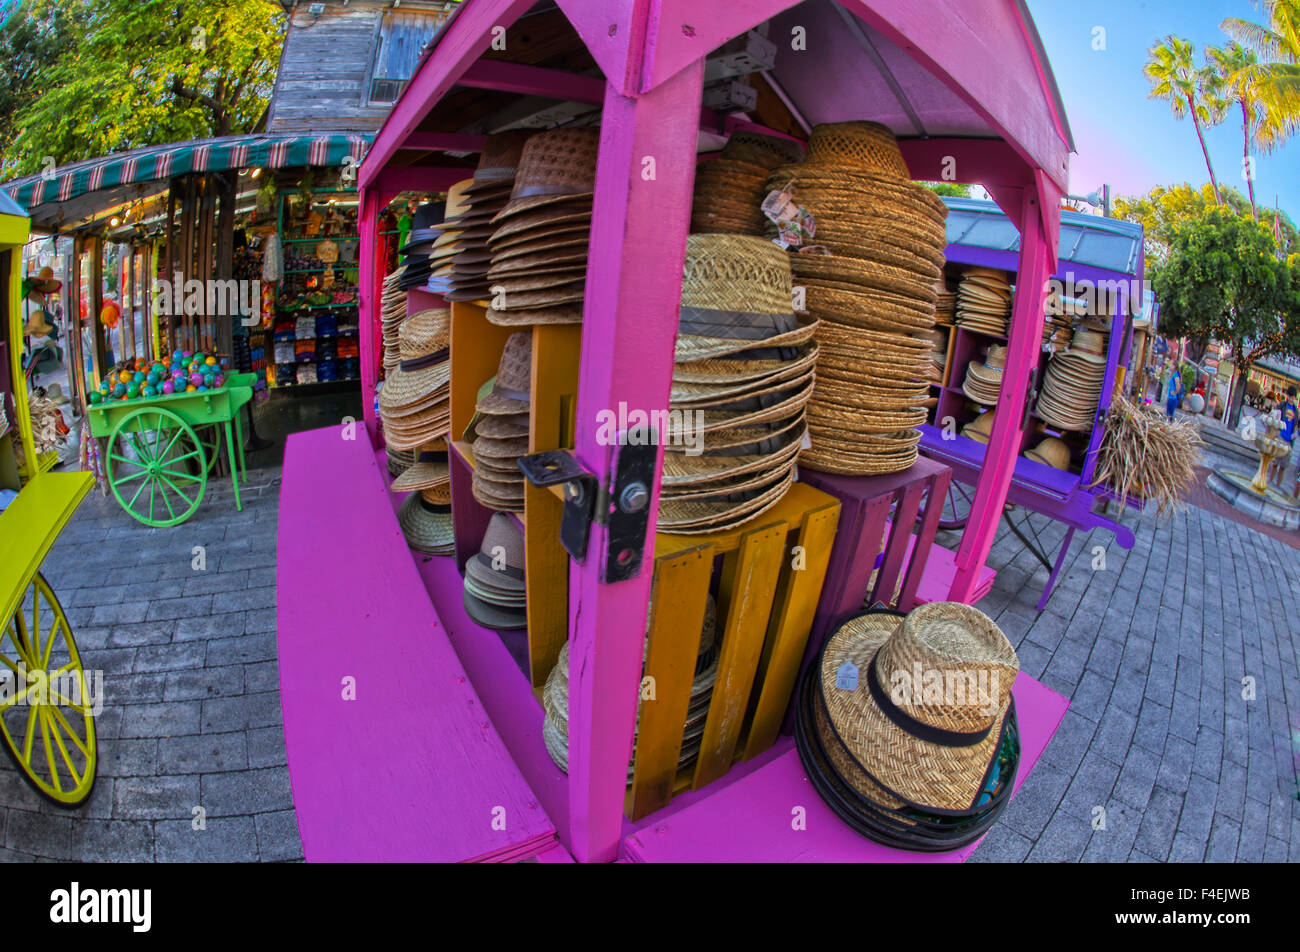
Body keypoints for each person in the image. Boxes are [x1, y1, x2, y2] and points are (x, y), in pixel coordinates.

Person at [1273, 385, 1298, 489]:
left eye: (1293, 397)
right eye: (1290, 396)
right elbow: (1275, 416)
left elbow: (1295, 425)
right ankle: (1270, 482)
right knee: (1275, 462)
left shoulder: (1296, 410)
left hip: (1289, 440)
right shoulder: (1282, 405)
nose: (1291, 399)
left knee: (1283, 466)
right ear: (1287, 395)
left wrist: (1293, 438)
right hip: (1280, 436)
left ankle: (1277, 486)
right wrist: (1276, 431)